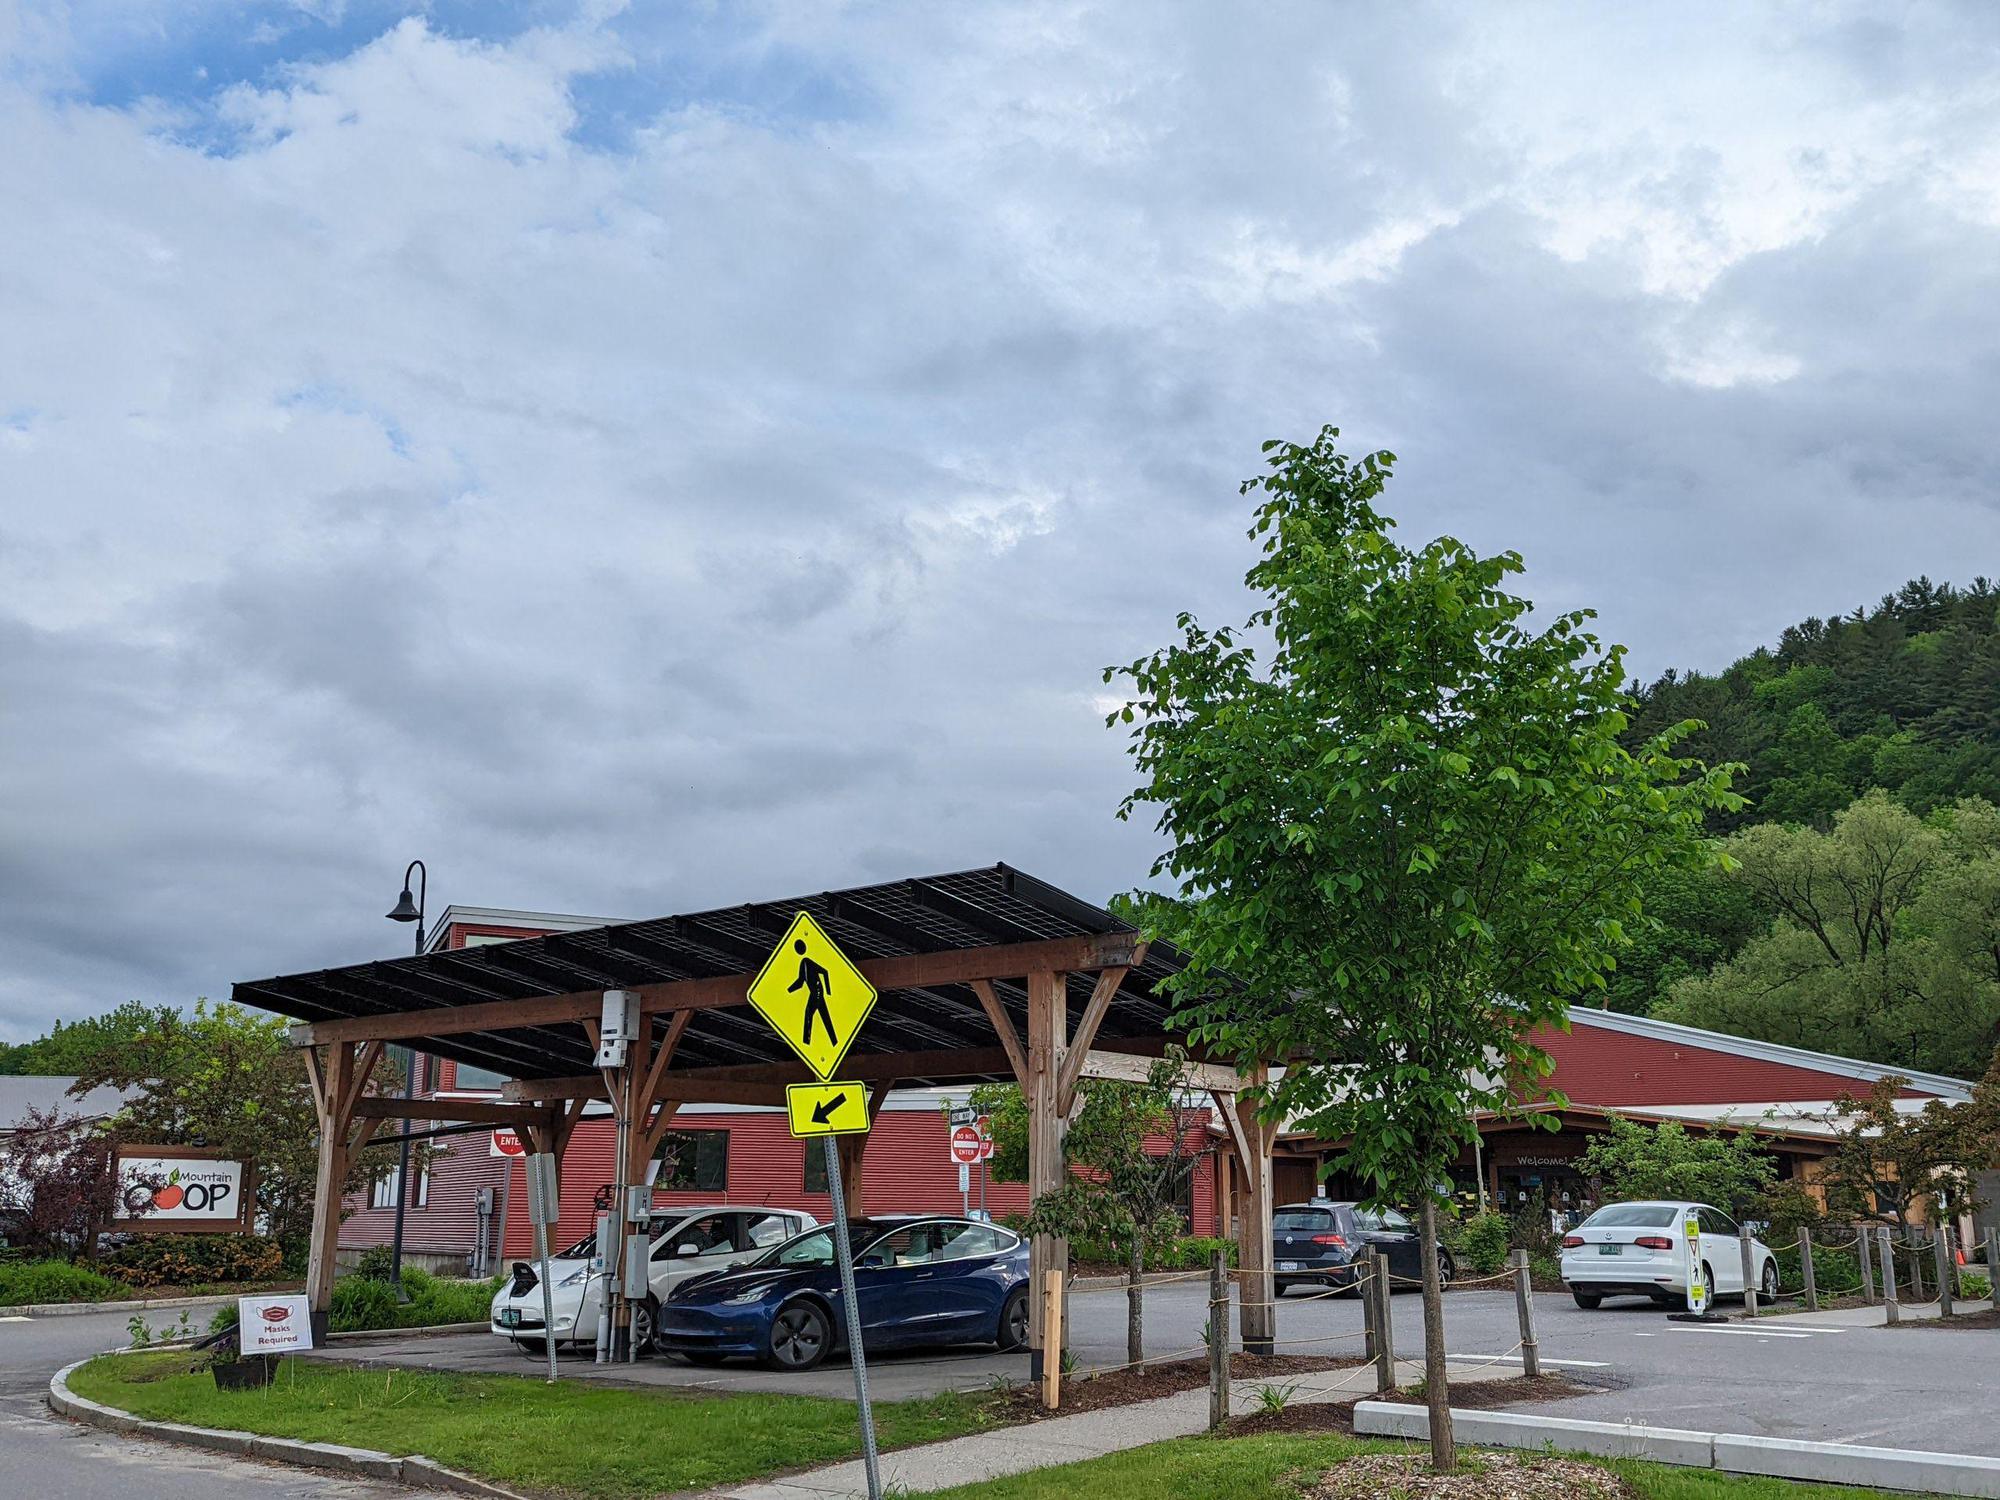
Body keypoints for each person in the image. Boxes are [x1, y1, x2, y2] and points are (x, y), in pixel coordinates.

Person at [788, 939, 837, 1048]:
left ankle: (806, 1043)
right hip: (816, 993)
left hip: (818, 992)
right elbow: (800, 982)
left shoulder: (807, 962)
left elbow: (825, 971)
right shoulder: (803, 964)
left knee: (809, 1013)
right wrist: (787, 991)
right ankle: (834, 1042)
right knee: (825, 1017)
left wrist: (829, 991)